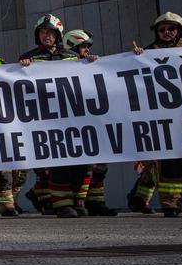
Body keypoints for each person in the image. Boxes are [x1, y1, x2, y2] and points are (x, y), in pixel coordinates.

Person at [18, 14, 83, 218]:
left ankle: (72, 200)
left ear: (58, 35)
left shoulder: (71, 57)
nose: (47, 36)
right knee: (57, 163)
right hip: (46, 119)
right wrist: (21, 68)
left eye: (51, 32)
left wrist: (90, 62)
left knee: (81, 164)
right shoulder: (29, 57)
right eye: (43, 32)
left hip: (71, 117)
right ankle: (62, 205)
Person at [132, 12, 182, 217]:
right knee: (170, 163)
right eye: (162, 29)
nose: (166, 33)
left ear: (179, 31)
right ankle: (170, 204)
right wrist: (135, 58)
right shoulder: (147, 53)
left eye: (171, 29)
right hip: (165, 118)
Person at [62, 29, 116, 217]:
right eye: (83, 46)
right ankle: (78, 201)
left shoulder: (91, 64)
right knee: (80, 166)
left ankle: (96, 201)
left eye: (87, 46)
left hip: (91, 121)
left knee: (99, 165)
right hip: (71, 123)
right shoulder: (61, 65)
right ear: (72, 48)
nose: (86, 49)